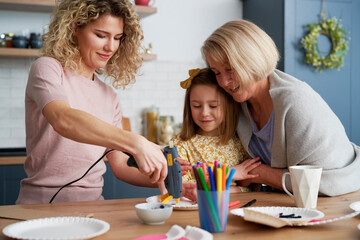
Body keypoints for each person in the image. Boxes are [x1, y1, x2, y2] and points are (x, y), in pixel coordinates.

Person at [16, 0, 170, 204]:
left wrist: (168, 179)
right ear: (74, 28)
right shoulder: (47, 68)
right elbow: (63, 119)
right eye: (100, 35)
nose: (111, 46)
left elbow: (121, 165)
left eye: (117, 38)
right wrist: (136, 142)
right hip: (40, 206)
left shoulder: (109, 96)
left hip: (93, 207)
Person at [200, 19, 360, 196]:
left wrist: (259, 174)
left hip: (341, 197)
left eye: (230, 69)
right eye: (217, 73)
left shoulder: (297, 102)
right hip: (286, 202)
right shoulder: (238, 102)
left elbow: (320, 183)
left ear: (253, 60)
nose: (223, 82)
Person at [172, 68, 261, 196]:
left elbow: (248, 186)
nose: (204, 113)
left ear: (228, 106)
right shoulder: (181, 145)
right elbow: (187, 190)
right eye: (196, 106)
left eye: (213, 106)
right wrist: (229, 174)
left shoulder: (241, 142)